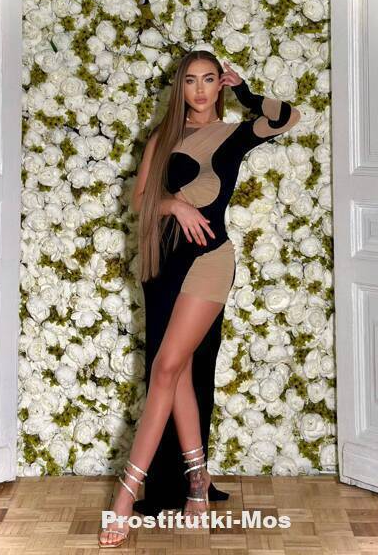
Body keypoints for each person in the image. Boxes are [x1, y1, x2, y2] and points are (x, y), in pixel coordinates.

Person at [98, 50, 301, 547]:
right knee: (179, 371)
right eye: (191, 80)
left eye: (210, 80)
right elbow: (140, 200)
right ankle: (196, 484)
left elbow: (289, 117)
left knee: (166, 368)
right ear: (181, 88)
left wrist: (246, 91)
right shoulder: (163, 137)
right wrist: (173, 205)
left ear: (219, 85)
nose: (201, 90)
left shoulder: (235, 134)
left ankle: (126, 493)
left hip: (210, 260)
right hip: (164, 263)